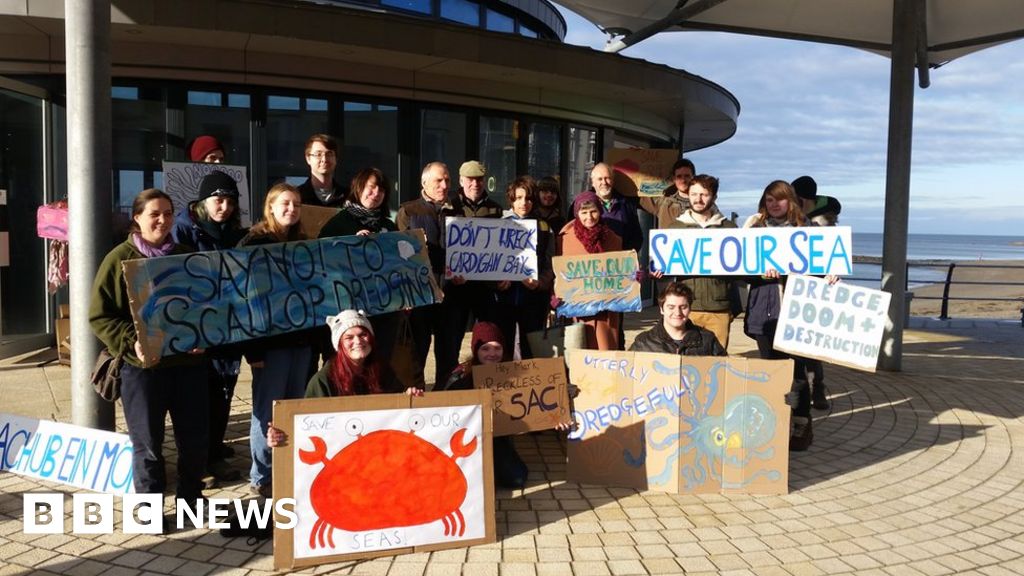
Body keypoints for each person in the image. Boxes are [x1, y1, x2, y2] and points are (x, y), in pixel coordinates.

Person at [90, 189, 208, 509]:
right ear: (138, 218)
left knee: (193, 439)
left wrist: (203, 336)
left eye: (168, 213)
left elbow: (203, 306)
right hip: (143, 370)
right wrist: (133, 341)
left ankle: (191, 500)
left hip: (187, 366)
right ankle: (150, 508)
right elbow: (100, 316)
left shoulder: (184, 255)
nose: (162, 220)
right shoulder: (119, 259)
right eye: (154, 214)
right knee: (147, 443)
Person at [171, 170, 247, 485]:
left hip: (228, 327)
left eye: (230, 200)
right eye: (218, 199)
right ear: (204, 201)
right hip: (197, 330)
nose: (224, 206)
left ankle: (213, 449)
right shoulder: (185, 230)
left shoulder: (233, 233)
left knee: (224, 391)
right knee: (197, 397)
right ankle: (201, 460)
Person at [238, 182, 314, 497]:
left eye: (296, 204)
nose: (291, 209)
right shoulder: (252, 244)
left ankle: (287, 467)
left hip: (301, 340)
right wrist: (252, 349)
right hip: (270, 345)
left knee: (294, 405)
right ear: (270, 206)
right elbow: (244, 301)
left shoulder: (305, 244)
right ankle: (262, 476)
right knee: (267, 410)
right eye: (285, 203)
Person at [318, 168, 425, 391]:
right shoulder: (340, 222)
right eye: (371, 187)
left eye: (381, 189)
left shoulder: (388, 225)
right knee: (347, 365)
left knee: (379, 362)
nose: (376, 193)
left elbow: (401, 264)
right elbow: (322, 261)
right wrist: (350, 245)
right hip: (349, 313)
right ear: (358, 189)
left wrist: (407, 294)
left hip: (385, 313)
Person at [266, 310, 423, 448]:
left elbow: (396, 409)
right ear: (339, 344)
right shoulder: (323, 381)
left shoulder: (382, 369)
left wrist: (409, 397)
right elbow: (308, 425)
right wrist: (281, 432)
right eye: (349, 337)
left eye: (363, 334)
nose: (358, 341)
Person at [743, 180, 818, 451]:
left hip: (798, 313)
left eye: (780, 199)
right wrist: (762, 272)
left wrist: (831, 273)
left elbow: (822, 267)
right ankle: (772, 425)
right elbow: (738, 271)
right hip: (764, 311)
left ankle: (800, 424)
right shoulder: (754, 230)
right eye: (769, 200)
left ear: (791, 201)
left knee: (798, 372)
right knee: (769, 371)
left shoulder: (809, 230)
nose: (774, 204)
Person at [435, 322, 528, 489]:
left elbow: (534, 404)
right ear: (475, 350)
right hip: (465, 438)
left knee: (517, 479)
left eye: (497, 348)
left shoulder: (513, 373)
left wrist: (556, 417)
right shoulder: (460, 376)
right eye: (485, 348)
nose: (492, 354)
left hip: (496, 438)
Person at [396, 162, 461, 386]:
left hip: (451, 294)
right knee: (417, 353)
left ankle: (445, 398)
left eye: (447, 181)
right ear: (424, 183)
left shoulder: (457, 211)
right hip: (420, 295)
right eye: (438, 181)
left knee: (449, 354)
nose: (444, 185)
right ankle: (416, 401)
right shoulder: (409, 211)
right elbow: (400, 257)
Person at [665, 174, 738, 350]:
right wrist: (656, 272)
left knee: (717, 361)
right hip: (686, 308)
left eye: (704, 194)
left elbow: (740, 270)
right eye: (693, 194)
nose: (698, 199)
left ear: (714, 197)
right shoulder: (675, 229)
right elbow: (663, 266)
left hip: (718, 306)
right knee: (687, 359)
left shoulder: (729, 229)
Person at [791, 176, 841, 409]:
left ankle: (816, 385)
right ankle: (812, 387)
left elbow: (833, 251)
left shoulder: (821, 221)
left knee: (811, 343)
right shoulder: (819, 216)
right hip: (802, 285)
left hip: (813, 286)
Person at [494, 176, 554, 359]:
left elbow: (551, 262)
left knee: (531, 349)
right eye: (518, 198)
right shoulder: (497, 224)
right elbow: (488, 259)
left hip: (533, 298)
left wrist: (540, 282)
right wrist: (495, 281)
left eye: (528, 198)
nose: (524, 203)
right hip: (504, 297)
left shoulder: (544, 227)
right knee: (503, 346)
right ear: (511, 199)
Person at [556, 191, 623, 350]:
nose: (589, 217)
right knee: (579, 354)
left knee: (604, 355)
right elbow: (558, 272)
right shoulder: (565, 238)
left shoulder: (613, 238)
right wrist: (555, 296)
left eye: (593, 211)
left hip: (605, 310)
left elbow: (621, 270)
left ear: (600, 211)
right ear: (577, 213)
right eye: (584, 212)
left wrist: (632, 276)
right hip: (576, 310)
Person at [629, 282, 726, 356]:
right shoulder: (644, 343)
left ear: (690, 308)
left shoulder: (707, 340)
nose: (677, 313)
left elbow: (723, 372)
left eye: (683, 307)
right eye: (671, 307)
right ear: (661, 309)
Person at [587, 162, 643, 253]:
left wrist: (628, 256)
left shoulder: (626, 204)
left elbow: (636, 235)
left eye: (607, 178)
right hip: (592, 261)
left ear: (613, 180)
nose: (604, 182)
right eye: (600, 179)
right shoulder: (582, 205)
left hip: (621, 262)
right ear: (593, 183)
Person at [639, 158, 695, 229]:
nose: (683, 180)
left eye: (687, 176)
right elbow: (637, 196)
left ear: (693, 177)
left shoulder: (703, 203)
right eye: (679, 176)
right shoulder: (663, 203)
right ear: (674, 179)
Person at [297, 134, 345, 208]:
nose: (324, 159)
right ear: (308, 159)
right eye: (318, 154)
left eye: (329, 154)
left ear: (336, 159)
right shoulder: (297, 197)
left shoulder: (348, 197)